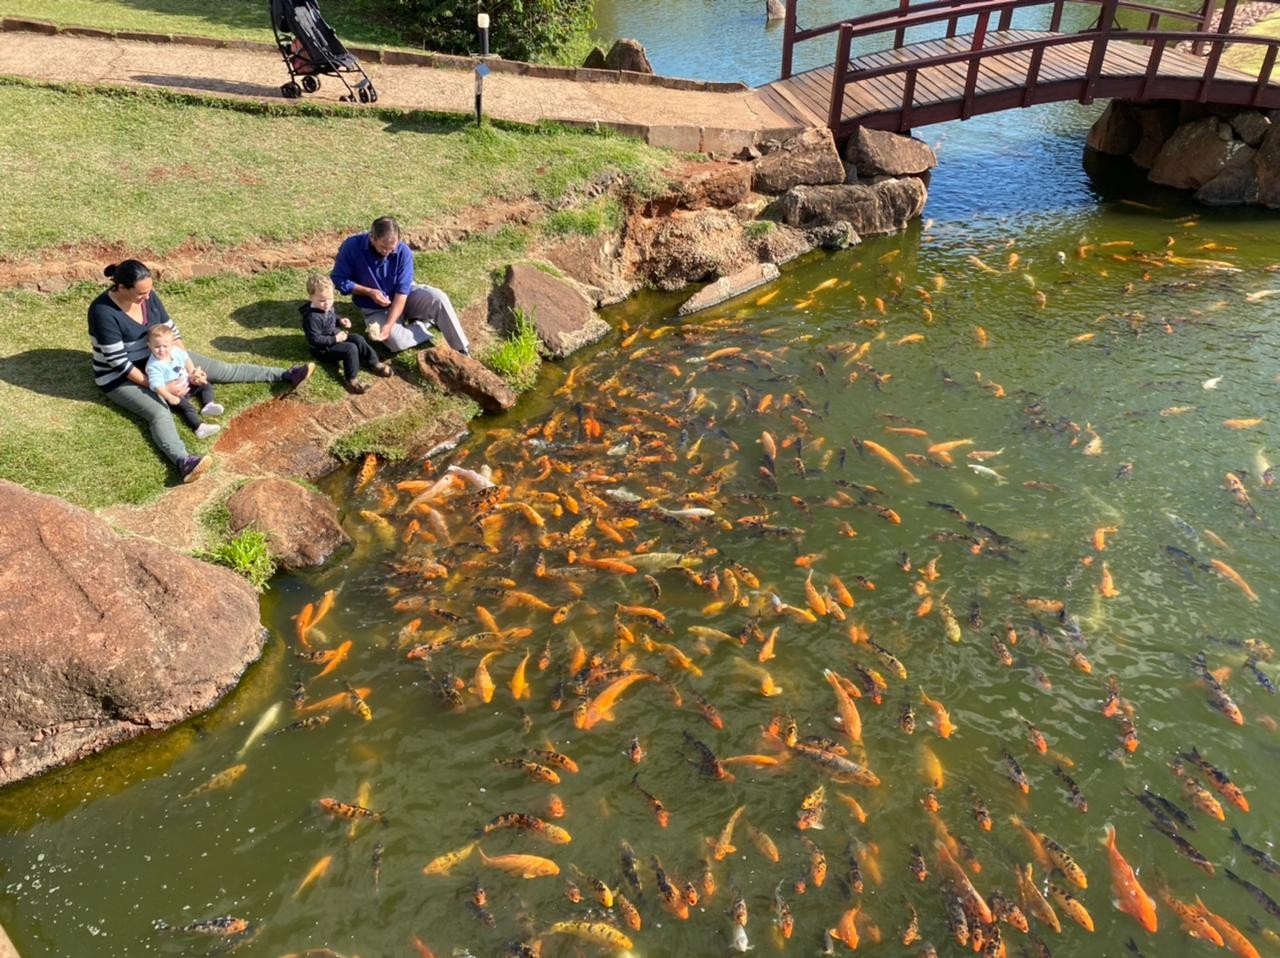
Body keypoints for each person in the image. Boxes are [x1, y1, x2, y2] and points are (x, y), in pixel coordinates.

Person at [88, 259, 315, 483]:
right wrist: (160, 386)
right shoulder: (102, 312)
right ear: (121, 287)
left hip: (162, 356)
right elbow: (119, 363)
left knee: (222, 370)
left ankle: (286, 374)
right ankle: (183, 462)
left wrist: (189, 368)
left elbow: (172, 334)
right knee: (158, 412)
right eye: (140, 294)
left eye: (149, 291)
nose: (147, 297)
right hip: (121, 377)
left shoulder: (148, 296)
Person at [331, 215, 470, 355]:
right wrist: (369, 292)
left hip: (406, 297)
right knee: (395, 342)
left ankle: (462, 349)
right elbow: (339, 279)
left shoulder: (404, 251)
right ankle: (424, 325)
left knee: (438, 298)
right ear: (372, 237)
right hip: (375, 308)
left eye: (392, 248)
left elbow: (402, 293)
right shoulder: (352, 247)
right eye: (383, 247)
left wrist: (389, 324)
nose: (387, 252)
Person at [300, 273, 394, 394]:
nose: (327, 303)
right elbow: (314, 340)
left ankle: (374, 363)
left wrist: (340, 320)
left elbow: (331, 316)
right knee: (350, 348)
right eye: (322, 300)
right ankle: (352, 380)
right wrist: (335, 339)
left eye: (330, 299)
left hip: (333, 336)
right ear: (311, 297)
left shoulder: (325, 307)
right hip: (322, 349)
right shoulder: (312, 318)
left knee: (357, 338)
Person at [146, 325, 223, 439]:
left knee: (205, 385)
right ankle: (199, 428)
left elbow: (186, 359)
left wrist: (194, 374)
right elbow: (156, 385)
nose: (161, 350)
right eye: (157, 347)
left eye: (165, 346)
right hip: (174, 394)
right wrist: (169, 397)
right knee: (188, 408)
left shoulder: (176, 351)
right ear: (149, 346)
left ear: (172, 344)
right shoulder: (154, 366)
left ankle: (208, 405)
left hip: (187, 383)